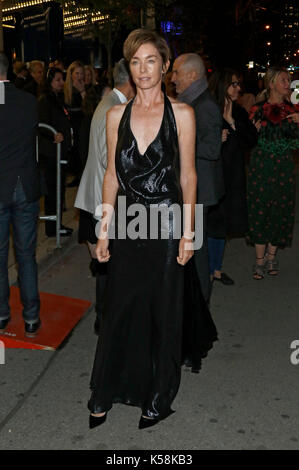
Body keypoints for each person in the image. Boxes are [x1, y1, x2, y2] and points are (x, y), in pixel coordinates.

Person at [87, 29, 217, 430]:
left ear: (164, 66)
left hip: (164, 224)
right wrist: (104, 228)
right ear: (130, 67)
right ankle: (105, 390)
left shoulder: (182, 114)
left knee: (162, 312)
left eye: (151, 61)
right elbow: (111, 176)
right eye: (136, 62)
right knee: (118, 310)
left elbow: (190, 176)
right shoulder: (115, 115)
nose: (143, 70)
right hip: (126, 223)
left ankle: (157, 396)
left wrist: (188, 233)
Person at [75, 59, 135, 335]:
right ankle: (106, 319)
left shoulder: (109, 101)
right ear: (131, 81)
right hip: (104, 200)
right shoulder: (115, 107)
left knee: (106, 263)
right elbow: (107, 157)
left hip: (98, 196)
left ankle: (107, 318)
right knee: (108, 263)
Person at [171, 53, 224, 300]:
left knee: (197, 251)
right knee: (191, 247)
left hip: (201, 191)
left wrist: (180, 142)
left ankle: (201, 305)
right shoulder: (190, 102)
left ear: (192, 75)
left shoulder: (205, 106)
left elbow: (212, 149)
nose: (173, 79)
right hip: (193, 188)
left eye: (177, 73)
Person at [0, 53, 41, 337]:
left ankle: (2, 314)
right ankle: (31, 318)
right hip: (25, 186)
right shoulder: (29, 101)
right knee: (26, 255)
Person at [247, 66, 299, 279]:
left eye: (289, 80)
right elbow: (246, 139)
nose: (288, 84)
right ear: (271, 84)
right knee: (260, 206)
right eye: (283, 80)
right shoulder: (258, 109)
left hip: (285, 166)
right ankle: (259, 261)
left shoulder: (294, 110)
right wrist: (253, 131)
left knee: (281, 208)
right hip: (261, 165)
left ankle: (271, 257)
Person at [208, 68, 258, 285]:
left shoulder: (237, 112)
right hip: (214, 174)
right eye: (234, 84)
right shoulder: (209, 110)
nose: (238, 88)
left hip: (234, 174)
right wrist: (216, 138)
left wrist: (232, 122)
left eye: (239, 84)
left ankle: (216, 269)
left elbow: (251, 140)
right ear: (222, 86)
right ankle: (208, 269)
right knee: (213, 224)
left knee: (225, 225)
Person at [38, 67, 73, 238]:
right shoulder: (45, 100)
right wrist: (54, 135)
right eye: (58, 80)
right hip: (51, 153)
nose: (61, 83)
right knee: (53, 191)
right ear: (50, 81)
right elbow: (42, 124)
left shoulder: (58, 99)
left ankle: (57, 225)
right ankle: (53, 227)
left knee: (58, 190)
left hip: (60, 152)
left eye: (62, 79)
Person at [64, 60, 86, 187]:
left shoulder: (85, 89)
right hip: (70, 125)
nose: (79, 77)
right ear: (71, 74)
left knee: (80, 151)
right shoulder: (66, 90)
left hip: (81, 124)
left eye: (81, 73)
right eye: (77, 73)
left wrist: (83, 91)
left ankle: (80, 176)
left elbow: (88, 107)